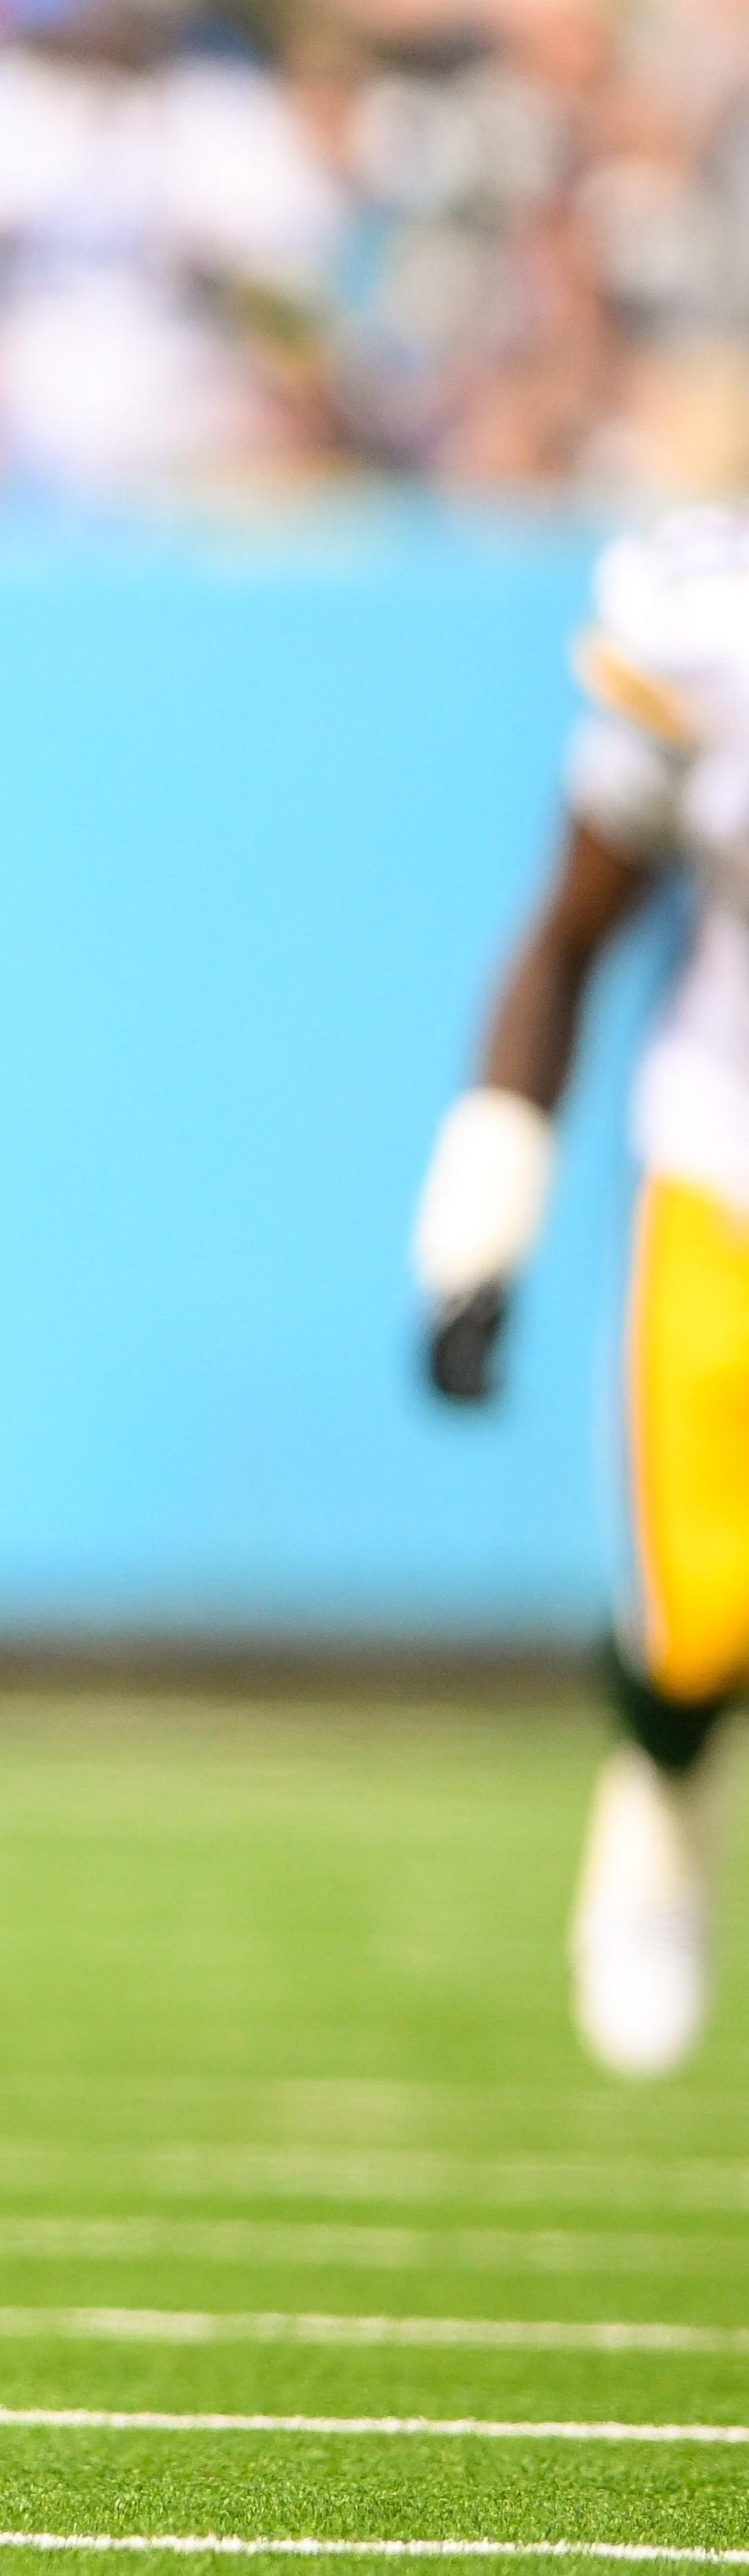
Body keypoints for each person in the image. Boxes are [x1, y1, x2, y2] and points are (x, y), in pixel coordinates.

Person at [417, 501, 749, 2077]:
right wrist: (478, 1218)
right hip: (729, 1162)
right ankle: (653, 1821)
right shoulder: (705, 633)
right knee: (709, 1610)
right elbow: (564, 936)